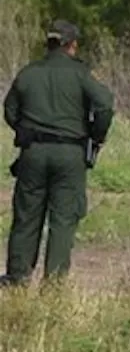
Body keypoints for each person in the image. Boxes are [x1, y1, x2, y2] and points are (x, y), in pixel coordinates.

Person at [2, 20, 114, 285]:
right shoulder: (81, 73)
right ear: (72, 45)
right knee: (64, 218)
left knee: (27, 215)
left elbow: (9, 110)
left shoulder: (28, 73)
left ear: (49, 43)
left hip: (33, 152)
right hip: (70, 152)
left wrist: (25, 129)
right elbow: (105, 106)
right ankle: (53, 283)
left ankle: (17, 277)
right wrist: (95, 136)